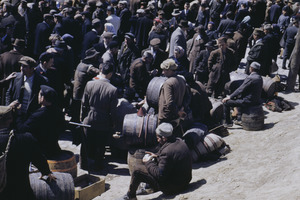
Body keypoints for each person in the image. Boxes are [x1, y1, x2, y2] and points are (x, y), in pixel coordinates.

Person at [119, 122, 192, 200]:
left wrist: (147, 161)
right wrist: (156, 156)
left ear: (164, 138)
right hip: (184, 182)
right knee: (155, 162)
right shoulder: (179, 141)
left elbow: (160, 175)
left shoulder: (167, 151)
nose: (157, 140)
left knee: (137, 170)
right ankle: (149, 187)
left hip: (173, 188)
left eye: (158, 138)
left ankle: (130, 196)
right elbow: (171, 158)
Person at [0, 105, 56, 200]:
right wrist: (46, 172)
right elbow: (39, 159)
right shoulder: (26, 139)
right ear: (11, 119)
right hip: (21, 193)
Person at [80, 62, 118, 170]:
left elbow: (84, 104)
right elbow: (113, 110)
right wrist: (113, 123)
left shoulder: (90, 84)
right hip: (103, 120)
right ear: (110, 74)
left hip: (89, 117)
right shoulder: (112, 90)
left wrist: (82, 118)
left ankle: (84, 165)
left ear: (101, 71)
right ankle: (98, 166)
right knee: (100, 145)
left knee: (86, 143)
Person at [17, 85, 65, 158]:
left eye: (39, 94)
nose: (38, 96)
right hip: (54, 149)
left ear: (42, 98)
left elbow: (22, 129)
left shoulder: (37, 115)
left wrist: (18, 114)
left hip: (40, 153)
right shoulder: (59, 112)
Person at [222, 62, 263, 127]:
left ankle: (228, 122)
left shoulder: (250, 78)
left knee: (226, 103)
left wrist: (230, 97)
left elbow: (240, 89)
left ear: (251, 68)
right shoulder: (259, 78)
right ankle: (239, 119)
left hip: (248, 101)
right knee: (239, 98)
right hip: (256, 100)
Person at [158, 59, 187, 137]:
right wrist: (181, 110)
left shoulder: (168, 83)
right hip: (176, 116)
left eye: (165, 70)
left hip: (167, 117)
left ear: (171, 70)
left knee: (164, 137)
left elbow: (169, 103)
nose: (163, 72)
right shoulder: (181, 80)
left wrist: (178, 112)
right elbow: (186, 97)